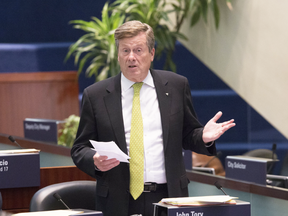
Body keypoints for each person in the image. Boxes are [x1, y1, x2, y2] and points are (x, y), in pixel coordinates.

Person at [71, 20, 235, 216]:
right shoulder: (96, 95)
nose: (131, 57)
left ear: (152, 53)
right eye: (125, 51)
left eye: (138, 50)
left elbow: (188, 134)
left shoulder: (176, 86)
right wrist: (95, 160)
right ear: (118, 55)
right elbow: (79, 149)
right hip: (118, 201)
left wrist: (203, 137)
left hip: (169, 198)